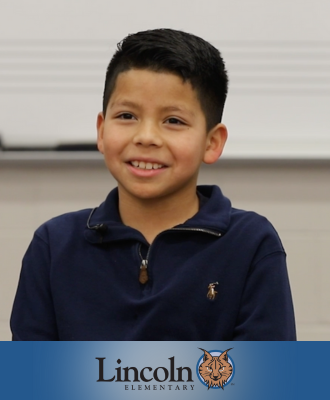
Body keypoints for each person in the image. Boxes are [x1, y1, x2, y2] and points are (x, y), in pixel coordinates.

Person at [10, 29, 296, 340]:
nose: (146, 136)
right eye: (127, 115)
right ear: (102, 132)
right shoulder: (54, 245)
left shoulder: (251, 243)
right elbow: (31, 381)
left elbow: (270, 382)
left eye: (173, 120)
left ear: (211, 143)